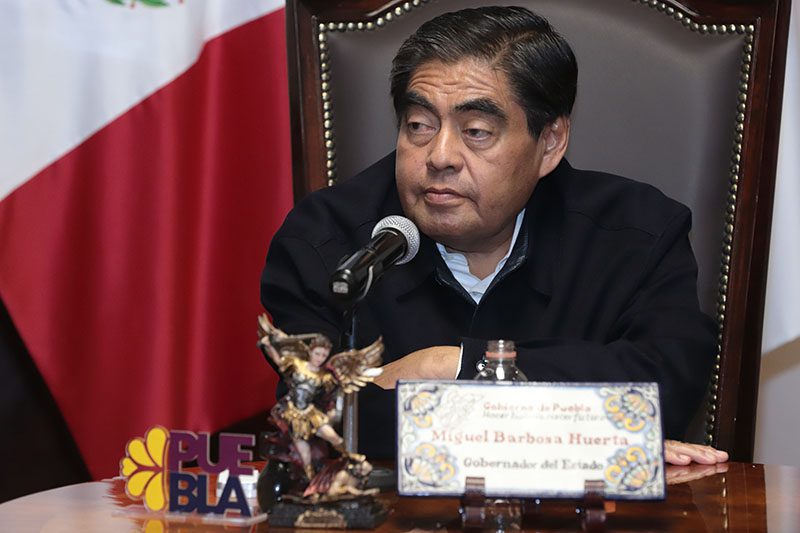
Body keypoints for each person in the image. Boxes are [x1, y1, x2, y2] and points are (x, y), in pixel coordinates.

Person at [261, 6, 727, 465]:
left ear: (550, 142)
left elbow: (659, 392)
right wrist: (577, 430)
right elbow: (311, 419)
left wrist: (455, 367)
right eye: (419, 126)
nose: (440, 156)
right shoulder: (329, 242)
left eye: (477, 131)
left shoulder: (636, 234)